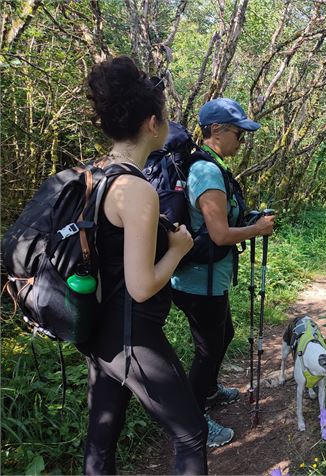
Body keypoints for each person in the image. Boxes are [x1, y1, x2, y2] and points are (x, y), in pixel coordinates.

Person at [77, 56, 208, 474]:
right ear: (153, 123)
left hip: (98, 331)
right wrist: (178, 249)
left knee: (101, 441)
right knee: (191, 434)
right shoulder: (137, 190)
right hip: (132, 334)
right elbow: (141, 285)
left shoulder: (92, 175)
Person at [171, 98, 274, 447]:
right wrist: (258, 229)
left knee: (222, 334)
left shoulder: (212, 165)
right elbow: (219, 235)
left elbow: (219, 223)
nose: (240, 141)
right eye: (237, 133)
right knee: (208, 349)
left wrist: (248, 220)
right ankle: (192, 419)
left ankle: (210, 390)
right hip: (198, 281)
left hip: (208, 276)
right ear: (216, 130)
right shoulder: (208, 171)